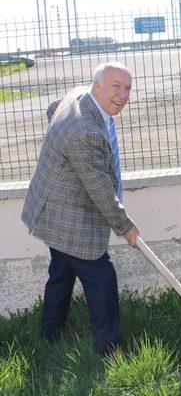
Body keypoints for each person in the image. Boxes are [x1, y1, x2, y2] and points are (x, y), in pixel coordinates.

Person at [21, 61, 140, 356]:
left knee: (61, 272)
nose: (123, 95)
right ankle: (108, 348)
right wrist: (125, 226)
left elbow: (52, 109)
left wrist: (61, 160)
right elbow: (100, 188)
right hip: (68, 219)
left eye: (127, 88)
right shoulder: (84, 129)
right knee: (102, 278)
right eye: (116, 86)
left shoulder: (78, 94)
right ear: (97, 85)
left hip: (50, 205)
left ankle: (49, 334)